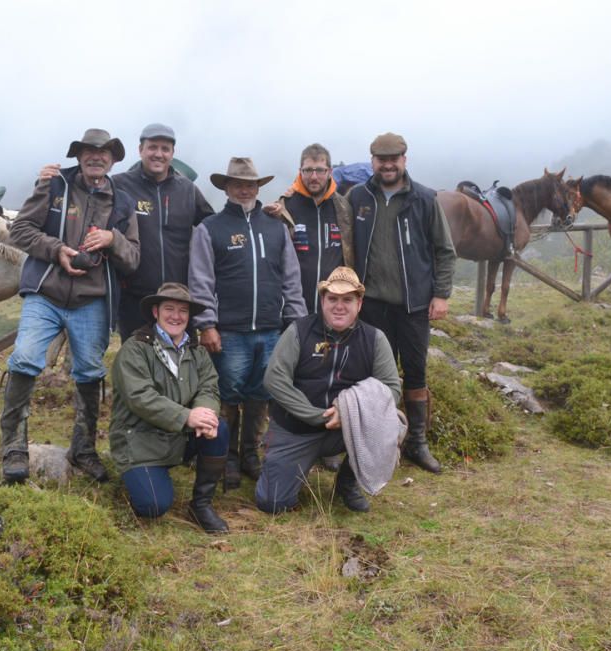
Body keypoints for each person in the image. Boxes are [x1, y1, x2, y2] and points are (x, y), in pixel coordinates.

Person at [0, 128, 140, 484]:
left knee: (90, 370)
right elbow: (21, 230)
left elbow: (134, 258)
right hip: (45, 292)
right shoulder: (54, 184)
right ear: (79, 155)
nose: (97, 157)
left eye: (104, 152)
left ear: (113, 159)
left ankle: (83, 448)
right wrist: (56, 249)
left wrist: (113, 239)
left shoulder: (122, 201)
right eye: (89, 151)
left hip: (91, 298)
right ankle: (14, 446)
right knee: (26, 357)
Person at [188, 157, 307, 489]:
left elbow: (291, 280)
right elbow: (201, 281)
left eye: (251, 184)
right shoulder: (210, 228)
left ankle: (251, 454)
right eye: (238, 183)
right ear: (226, 186)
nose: (245, 189)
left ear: (258, 187)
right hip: (229, 331)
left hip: (271, 329)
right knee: (228, 394)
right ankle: (225, 457)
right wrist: (207, 323)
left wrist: (296, 322)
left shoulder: (276, 227)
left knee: (261, 393)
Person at [346, 132, 456, 474]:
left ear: (405, 160)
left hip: (414, 306)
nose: (388, 164)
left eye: (394, 158)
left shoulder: (424, 198)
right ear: (373, 162)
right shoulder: (357, 198)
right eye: (381, 159)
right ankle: (377, 440)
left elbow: (444, 251)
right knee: (376, 376)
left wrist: (441, 295)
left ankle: (417, 443)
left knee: (416, 371)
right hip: (372, 305)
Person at [256, 267, 401, 514]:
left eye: (347, 300)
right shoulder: (299, 331)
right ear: (322, 300)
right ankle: (291, 466)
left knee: (395, 422)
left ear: (360, 303)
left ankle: (348, 482)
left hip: (345, 429)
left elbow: (391, 390)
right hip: (296, 429)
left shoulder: (375, 339)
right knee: (273, 503)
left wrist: (347, 411)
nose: (339, 306)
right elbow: (274, 379)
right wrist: (316, 415)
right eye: (332, 298)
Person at [109, 283, 230, 533]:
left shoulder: (196, 351)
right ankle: (140, 476)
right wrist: (187, 416)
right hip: (140, 442)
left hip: (178, 437)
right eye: (169, 309)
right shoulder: (134, 349)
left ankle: (201, 504)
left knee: (219, 427)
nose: (176, 316)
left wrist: (204, 413)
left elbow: (209, 387)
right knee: (154, 506)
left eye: (183, 311)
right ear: (156, 312)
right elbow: (140, 397)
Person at [112, 123, 214, 340]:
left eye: (165, 149)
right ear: (141, 150)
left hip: (179, 299)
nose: (158, 154)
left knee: (182, 365)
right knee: (137, 364)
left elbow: (214, 227)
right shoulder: (119, 185)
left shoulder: (187, 189)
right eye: (152, 147)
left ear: (172, 153)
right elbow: (83, 196)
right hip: (134, 298)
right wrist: (48, 181)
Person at [273, 143, 354, 315]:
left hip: (335, 309)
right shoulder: (285, 207)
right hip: (295, 308)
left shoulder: (344, 208)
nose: (314, 177)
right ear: (300, 171)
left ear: (330, 172)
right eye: (308, 170)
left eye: (320, 170)